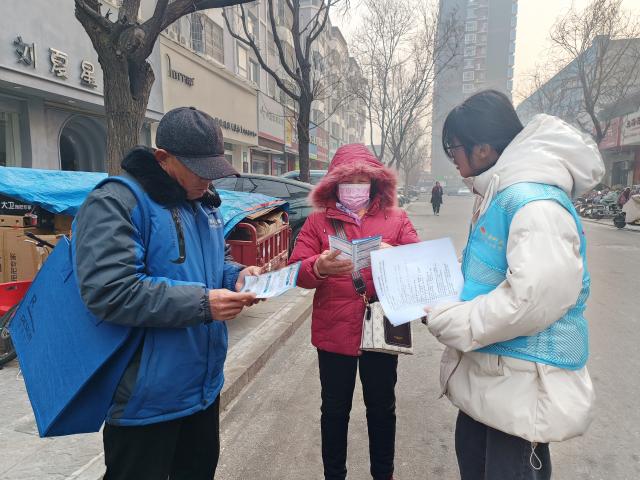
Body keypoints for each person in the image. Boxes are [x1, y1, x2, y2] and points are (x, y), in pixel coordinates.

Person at [73, 107, 261, 480]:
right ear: (163, 158)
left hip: (202, 390)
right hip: (145, 401)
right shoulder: (118, 201)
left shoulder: (203, 204)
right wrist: (203, 303)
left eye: (213, 171)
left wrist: (238, 276)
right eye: (199, 170)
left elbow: (217, 264)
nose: (208, 181)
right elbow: (111, 290)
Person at [424, 90, 604, 479]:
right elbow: (489, 271)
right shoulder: (500, 193)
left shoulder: (534, 203)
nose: (452, 157)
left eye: (454, 147)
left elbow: (531, 300)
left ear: (483, 149)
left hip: (520, 394)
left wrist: (451, 320)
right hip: (492, 384)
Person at [289, 144, 419, 480]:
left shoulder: (397, 218)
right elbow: (296, 270)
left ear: (375, 182)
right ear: (334, 183)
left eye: (363, 180)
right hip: (333, 331)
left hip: (381, 327)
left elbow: (419, 267)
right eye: (349, 180)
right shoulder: (318, 222)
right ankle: (334, 475)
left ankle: (383, 474)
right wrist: (318, 267)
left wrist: (392, 255)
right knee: (334, 411)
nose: (356, 187)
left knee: (382, 409)